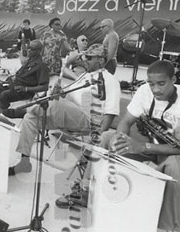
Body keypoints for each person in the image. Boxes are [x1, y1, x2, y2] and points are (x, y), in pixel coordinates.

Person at [103, 60, 180, 232]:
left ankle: (172, 228)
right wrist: (121, 138)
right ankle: (99, 192)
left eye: (161, 83)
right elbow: (126, 121)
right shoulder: (144, 91)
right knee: (108, 138)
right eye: (151, 83)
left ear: (174, 79)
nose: (155, 90)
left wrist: (143, 147)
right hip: (155, 140)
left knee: (174, 166)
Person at [12, 44, 120, 177]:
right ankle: (24, 162)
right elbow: (70, 95)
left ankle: (25, 109)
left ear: (101, 60)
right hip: (72, 114)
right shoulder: (85, 76)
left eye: (89, 57)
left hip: (90, 120)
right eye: (85, 56)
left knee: (54, 105)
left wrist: (98, 137)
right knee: (30, 119)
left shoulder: (110, 81)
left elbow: (111, 111)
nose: (85, 59)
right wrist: (60, 92)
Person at [0, 40, 49, 115]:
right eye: (29, 48)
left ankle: (1, 116)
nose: (29, 51)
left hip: (24, 91)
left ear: (39, 51)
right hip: (12, 85)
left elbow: (44, 87)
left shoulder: (41, 66)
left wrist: (25, 89)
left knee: (4, 95)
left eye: (32, 49)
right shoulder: (29, 61)